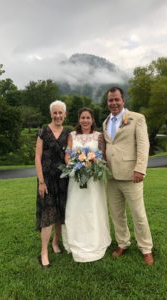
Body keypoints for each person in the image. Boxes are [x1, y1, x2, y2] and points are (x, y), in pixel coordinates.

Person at [102, 87, 154, 266]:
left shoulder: (136, 118)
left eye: (116, 99)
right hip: (110, 177)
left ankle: (146, 248)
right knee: (117, 215)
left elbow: (143, 145)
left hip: (131, 175)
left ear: (123, 100)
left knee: (138, 214)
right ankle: (123, 243)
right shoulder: (105, 121)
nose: (113, 103)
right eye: (110, 100)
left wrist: (140, 169)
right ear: (107, 102)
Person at [63, 107, 111, 262]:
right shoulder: (72, 135)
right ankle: (76, 240)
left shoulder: (99, 136)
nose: (85, 120)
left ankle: (95, 239)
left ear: (92, 120)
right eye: (82, 117)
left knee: (93, 208)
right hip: (76, 178)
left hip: (94, 181)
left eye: (88, 117)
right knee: (76, 208)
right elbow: (67, 155)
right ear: (79, 119)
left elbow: (103, 156)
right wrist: (76, 164)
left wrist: (93, 164)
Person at [35, 100, 69, 267]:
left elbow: (70, 156)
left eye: (60, 113)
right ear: (51, 114)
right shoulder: (43, 131)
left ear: (64, 114)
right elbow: (37, 157)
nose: (57, 116)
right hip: (46, 179)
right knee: (48, 214)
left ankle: (55, 242)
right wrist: (41, 181)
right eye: (54, 113)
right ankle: (43, 251)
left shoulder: (68, 133)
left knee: (60, 212)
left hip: (63, 179)